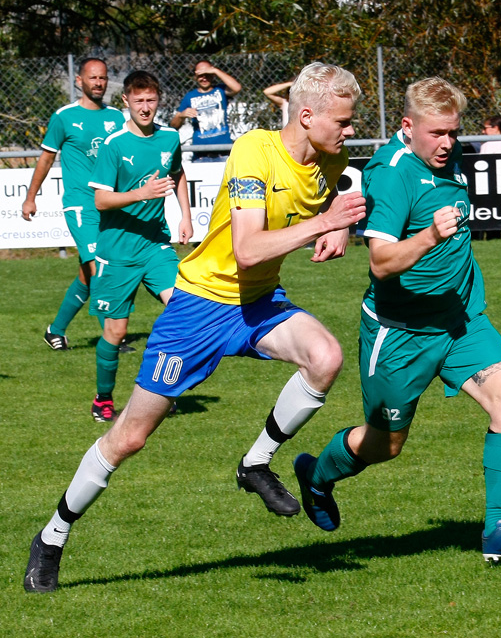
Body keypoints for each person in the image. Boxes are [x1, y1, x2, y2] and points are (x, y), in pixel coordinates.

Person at [23, 62, 367, 594]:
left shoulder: (331, 157)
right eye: (343, 121)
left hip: (258, 303)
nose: (349, 131)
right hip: (200, 307)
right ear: (306, 115)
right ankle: (52, 536)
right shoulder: (255, 149)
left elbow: (331, 194)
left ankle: (255, 463)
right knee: (130, 438)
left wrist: (339, 231)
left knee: (325, 357)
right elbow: (249, 250)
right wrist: (325, 224)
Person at [293, 77, 501, 564]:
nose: (448, 143)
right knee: (386, 445)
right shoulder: (392, 175)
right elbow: (382, 263)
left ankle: (497, 531)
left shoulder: (446, 158)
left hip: (459, 319)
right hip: (400, 333)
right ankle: (318, 474)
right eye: (437, 133)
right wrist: (430, 235)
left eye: (454, 132)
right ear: (408, 127)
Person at [87, 70, 193, 423]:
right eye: (139, 101)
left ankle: (161, 391)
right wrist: (140, 194)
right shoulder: (114, 144)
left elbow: (177, 175)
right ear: (126, 102)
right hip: (117, 250)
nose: (145, 108)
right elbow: (101, 200)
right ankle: (103, 399)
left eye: (151, 100)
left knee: (182, 309)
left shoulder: (169, 137)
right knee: (115, 332)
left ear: (158, 100)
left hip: (154, 243)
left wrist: (185, 216)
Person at [21, 58, 125, 351]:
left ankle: (55, 330)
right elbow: (46, 157)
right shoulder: (64, 117)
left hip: (109, 205)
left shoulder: (117, 118)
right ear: (79, 81)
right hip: (80, 204)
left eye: (103, 78)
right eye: (93, 78)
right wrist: (31, 197)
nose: (98, 83)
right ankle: (111, 336)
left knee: (87, 271)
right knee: (98, 267)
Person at [170, 60, 242, 161]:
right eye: (200, 75)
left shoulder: (220, 90)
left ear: (212, 75)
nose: (204, 78)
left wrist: (215, 70)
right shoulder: (189, 96)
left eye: (207, 74)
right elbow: (174, 126)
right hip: (200, 154)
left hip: (224, 151)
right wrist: (181, 115)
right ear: (195, 77)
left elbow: (237, 88)